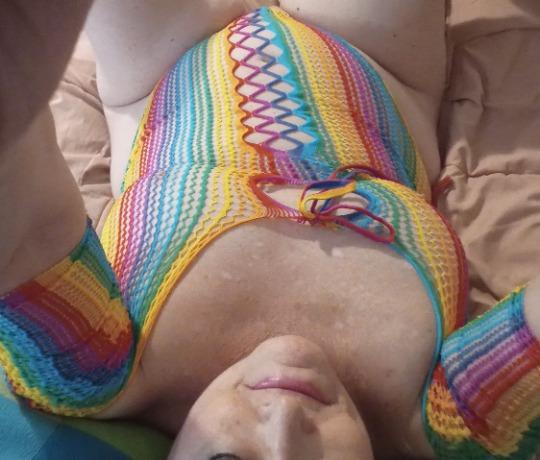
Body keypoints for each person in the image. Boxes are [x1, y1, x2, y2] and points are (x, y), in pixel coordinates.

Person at [1, 1, 540, 459]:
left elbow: (23, 223)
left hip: (164, 62)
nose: (285, 421)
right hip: (378, 57)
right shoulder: (453, 424)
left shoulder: (88, 373)